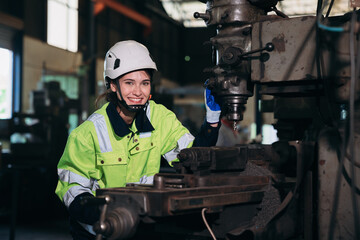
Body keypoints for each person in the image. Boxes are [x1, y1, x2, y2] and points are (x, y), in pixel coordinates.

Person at [55, 40, 221, 240]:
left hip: (141, 225)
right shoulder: (87, 134)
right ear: (113, 85)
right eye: (129, 83)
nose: (138, 92)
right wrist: (107, 216)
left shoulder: (158, 117)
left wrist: (212, 121)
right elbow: (73, 191)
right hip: (98, 229)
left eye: (145, 83)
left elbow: (193, 158)